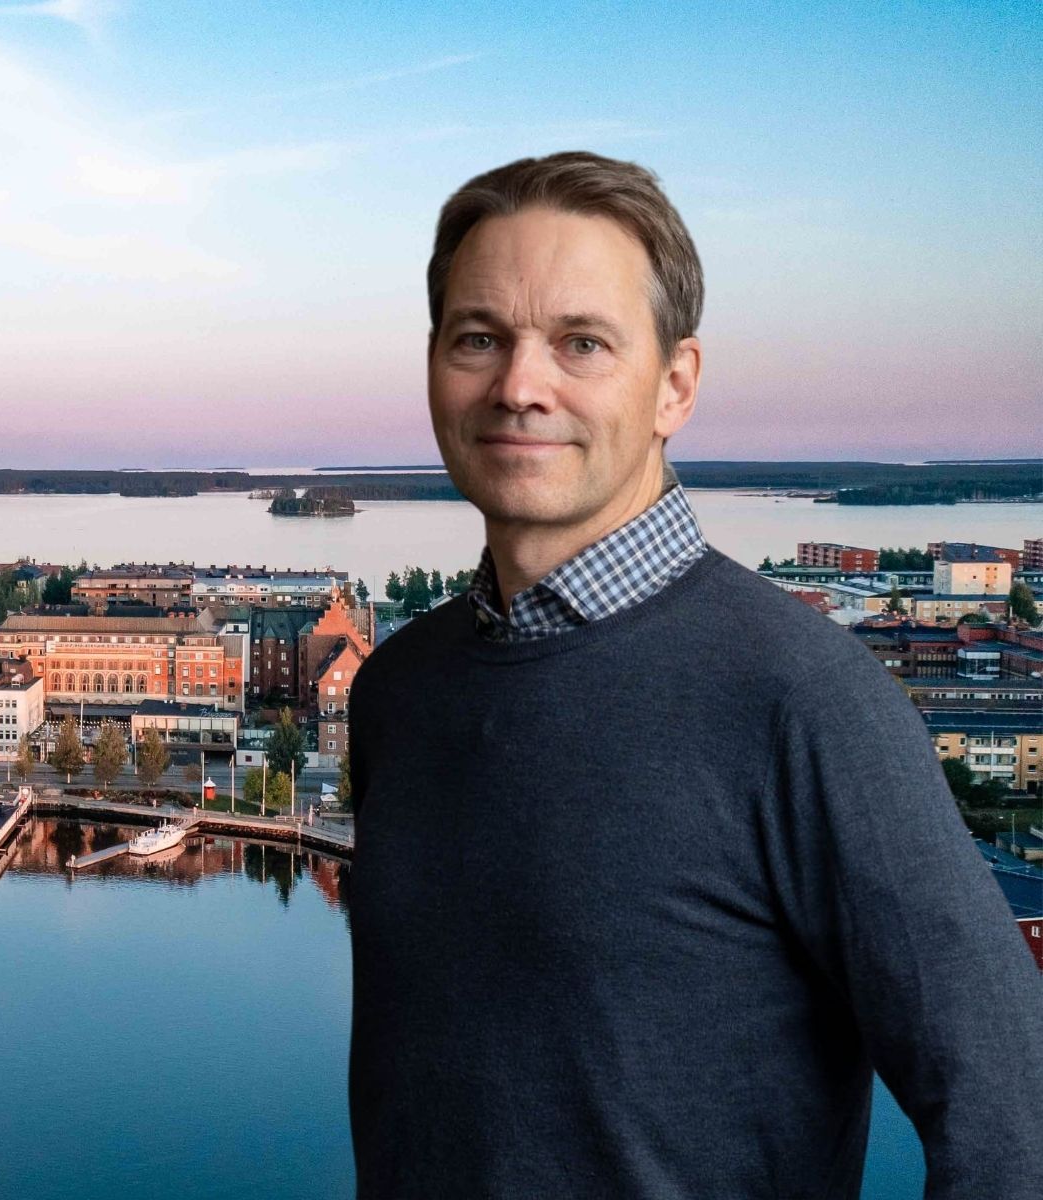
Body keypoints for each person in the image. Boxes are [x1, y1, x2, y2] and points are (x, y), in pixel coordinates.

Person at [346, 151, 1043, 1198]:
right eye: (479, 338)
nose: (519, 386)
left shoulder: (804, 700)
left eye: (581, 343)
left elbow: (1015, 1114)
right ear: (435, 364)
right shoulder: (398, 689)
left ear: (675, 385)